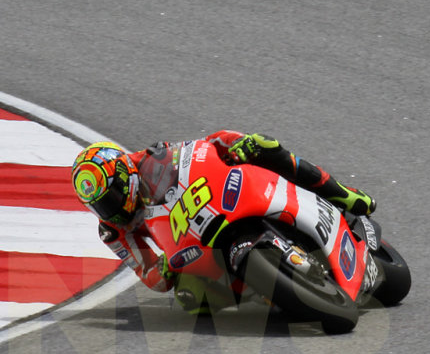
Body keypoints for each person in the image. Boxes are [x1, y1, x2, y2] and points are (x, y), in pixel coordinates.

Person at [70, 130, 376, 314]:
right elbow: (148, 273)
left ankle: (340, 194)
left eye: (109, 198)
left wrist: (235, 145)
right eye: (99, 206)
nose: (109, 210)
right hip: (191, 246)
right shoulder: (113, 231)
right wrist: (162, 269)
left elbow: (200, 146)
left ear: (124, 175)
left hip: (216, 200)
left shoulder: (150, 157)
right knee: (190, 299)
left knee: (263, 145)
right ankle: (267, 290)